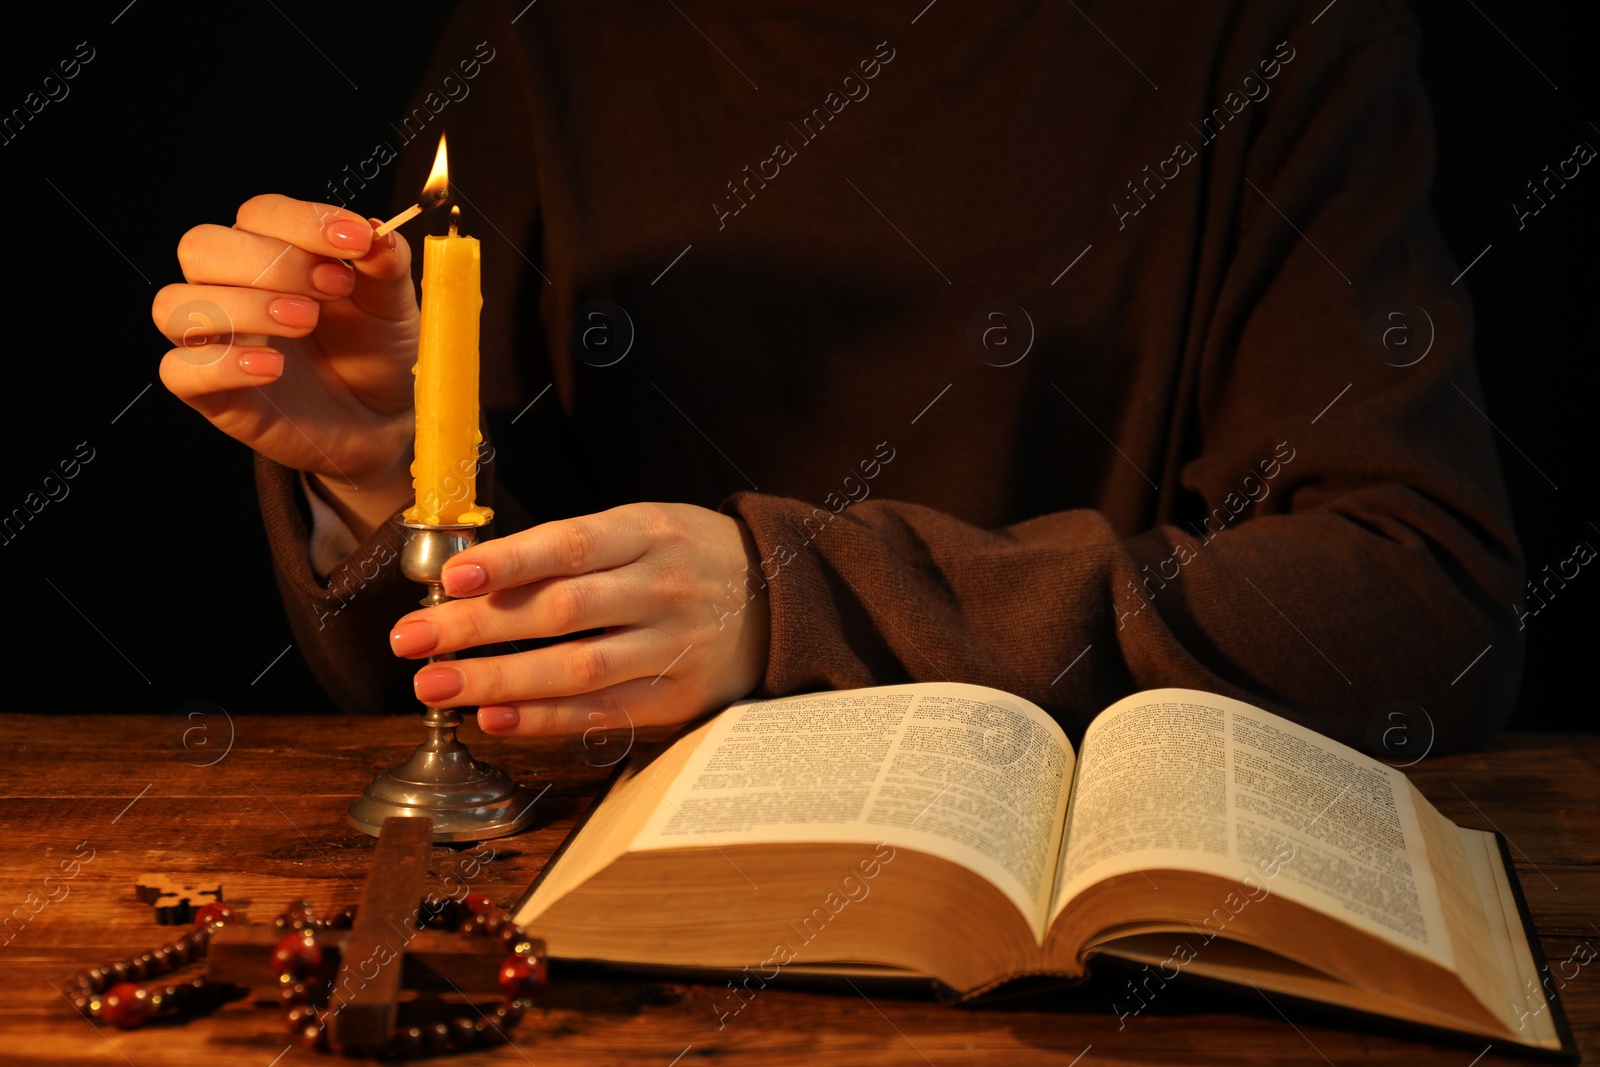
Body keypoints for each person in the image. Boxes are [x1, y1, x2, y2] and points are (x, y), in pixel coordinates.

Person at [153, 0, 1523, 752]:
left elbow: (1418, 605)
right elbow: (457, 699)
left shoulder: (1275, 38)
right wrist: (391, 468)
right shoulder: (537, 42)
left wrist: (791, 604)